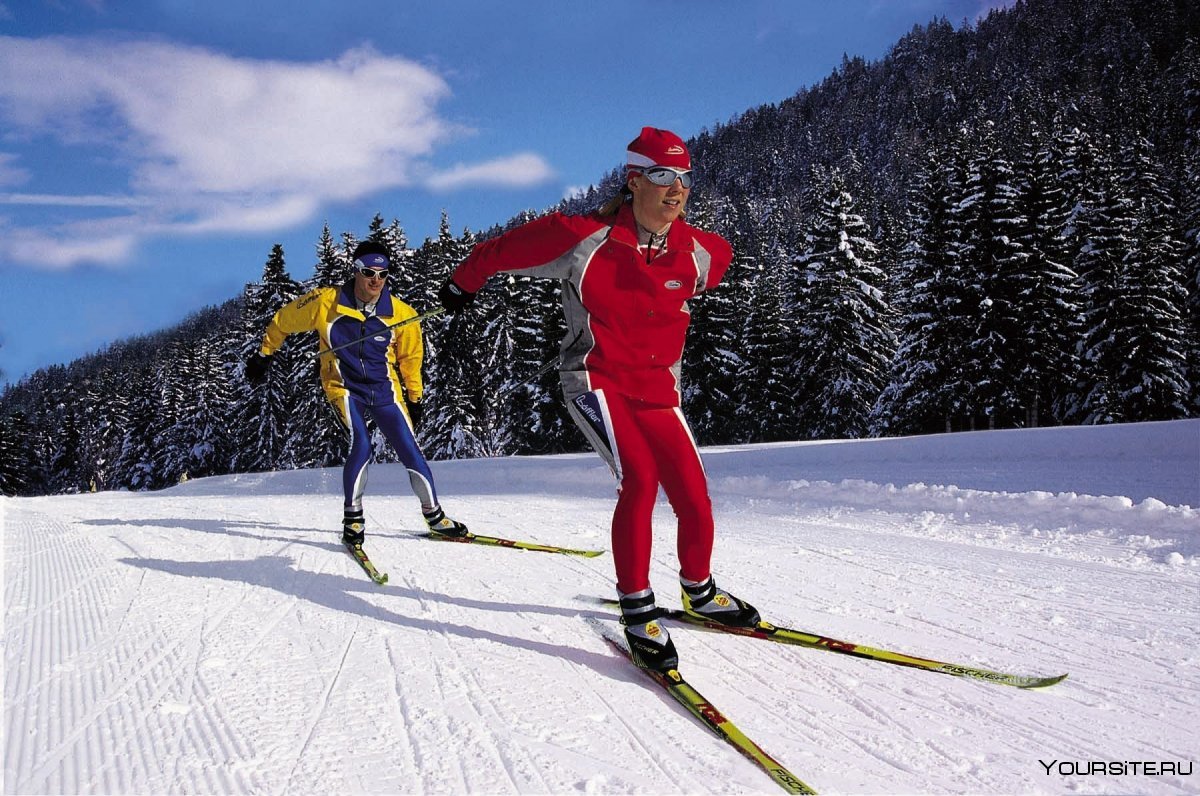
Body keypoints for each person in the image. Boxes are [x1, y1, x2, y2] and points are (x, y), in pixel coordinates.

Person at [438, 127, 759, 671]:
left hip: (658, 390)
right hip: (595, 380)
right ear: (633, 181)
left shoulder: (704, 253)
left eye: (684, 178)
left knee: (693, 491)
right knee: (640, 478)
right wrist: (462, 285)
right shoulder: (581, 238)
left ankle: (699, 591)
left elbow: (702, 272)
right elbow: (498, 252)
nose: (675, 189)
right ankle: (637, 610)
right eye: (661, 176)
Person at [245, 239, 468, 549]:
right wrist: (265, 353)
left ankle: (435, 518)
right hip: (344, 387)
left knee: (409, 447)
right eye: (368, 272)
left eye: (383, 273)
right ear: (356, 271)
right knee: (360, 443)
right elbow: (283, 320)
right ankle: (353, 519)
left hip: (384, 391)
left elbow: (411, 361)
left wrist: (415, 399)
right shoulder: (326, 302)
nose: (376, 280)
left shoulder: (402, 314)